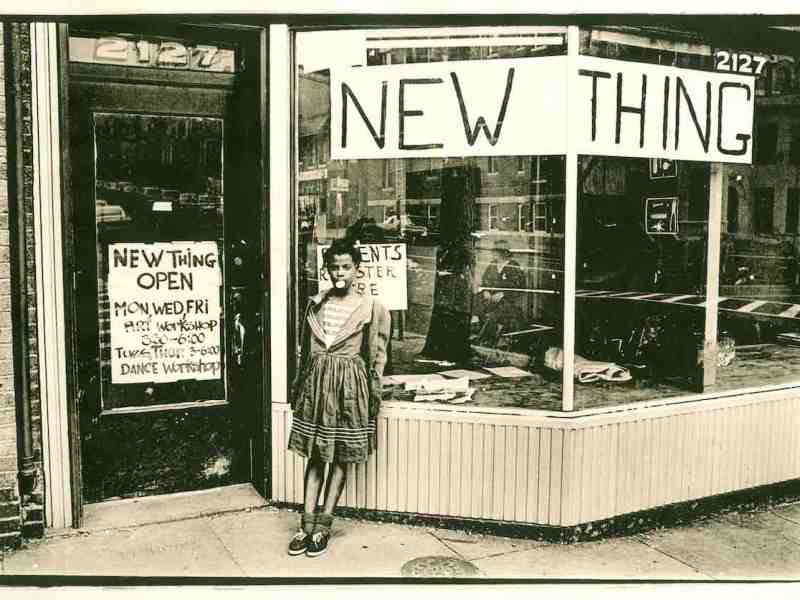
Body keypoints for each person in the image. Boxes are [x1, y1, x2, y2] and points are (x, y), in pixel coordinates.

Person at [287, 237, 391, 557]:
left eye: (346, 267)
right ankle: (306, 524)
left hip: (350, 389)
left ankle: (324, 526)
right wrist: (298, 387)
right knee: (317, 455)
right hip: (318, 386)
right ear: (327, 270)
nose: (340, 272)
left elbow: (377, 356)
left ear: (357, 270)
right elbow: (305, 352)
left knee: (341, 455)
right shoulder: (316, 303)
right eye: (334, 267)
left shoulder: (372, 308)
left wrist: (373, 394)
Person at [472, 239, 526, 346]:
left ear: (504, 253)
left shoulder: (513, 266)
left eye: (496, 251)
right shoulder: (492, 265)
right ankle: (477, 331)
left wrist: (504, 294)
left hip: (507, 301)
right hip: (490, 298)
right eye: (493, 251)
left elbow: (519, 287)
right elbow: (485, 280)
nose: (493, 254)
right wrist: (486, 290)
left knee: (494, 315)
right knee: (475, 301)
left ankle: (488, 338)